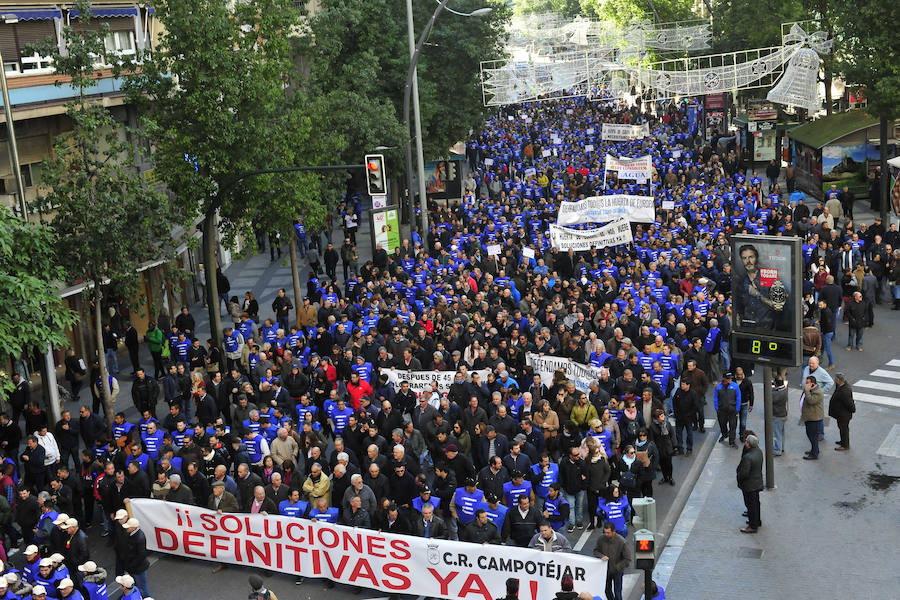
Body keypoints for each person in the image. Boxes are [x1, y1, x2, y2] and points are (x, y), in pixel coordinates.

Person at [733, 243, 788, 331]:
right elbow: (739, 308)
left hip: (767, 327)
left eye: (751, 257)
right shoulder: (741, 281)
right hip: (748, 328)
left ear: (756, 258)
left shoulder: (769, 276)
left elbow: (779, 307)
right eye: (744, 258)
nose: (748, 261)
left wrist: (758, 295)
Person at [592, 521, 631, 600]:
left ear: (614, 532)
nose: (606, 534)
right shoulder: (601, 539)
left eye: (608, 533)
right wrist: (601, 556)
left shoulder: (622, 542)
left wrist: (617, 567)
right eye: (605, 532)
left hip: (617, 572)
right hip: (605, 571)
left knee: (618, 592)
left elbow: (627, 559)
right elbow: (595, 551)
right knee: (607, 590)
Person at [736, 434, 763, 533]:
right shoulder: (759, 452)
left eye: (746, 441)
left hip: (749, 485)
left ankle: (752, 526)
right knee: (756, 503)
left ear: (748, 444)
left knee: (750, 505)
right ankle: (757, 521)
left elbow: (744, 473)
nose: (745, 443)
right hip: (757, 482)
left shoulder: (748, 457)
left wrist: (738, 476)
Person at [828, 373, 855, 451]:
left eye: (835, 379)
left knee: (844, 429)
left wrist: (853, 409)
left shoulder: (844, 391)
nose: (834, 380)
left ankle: (845, 445)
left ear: (838, 380)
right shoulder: (841, 386)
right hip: (840, 413)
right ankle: (843, 441)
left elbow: (849, 403)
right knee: (841, 428)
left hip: (844, 415)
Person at [713, 372, 741, 447]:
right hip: (722, 410)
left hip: (732, 410)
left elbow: (738, 397)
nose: (730, 380)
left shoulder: (735, 386)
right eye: (728, 378)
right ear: (724, 379)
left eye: (730, 378)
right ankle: (724, 434)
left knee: (733, 426)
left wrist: (737, 409)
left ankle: (732, 441)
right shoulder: (718, 387)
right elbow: (715, 397)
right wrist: (717, 408)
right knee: (722, 424)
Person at [800, 375, 824, 460]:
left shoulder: (818, 392)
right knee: (810, 434)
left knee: (813, 436)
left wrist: (806, 391)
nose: (805, 384)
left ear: (813, 384)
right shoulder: (809, 390)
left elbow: (811, 401)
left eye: (807, 383)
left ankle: (814, 454)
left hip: (814, 418)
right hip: (808, 417)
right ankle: (814, 450)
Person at [771, 377, 788, 456]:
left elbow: (771, 398)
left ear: (776, 383)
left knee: (777, 433)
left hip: (777, 415)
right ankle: (782, 447)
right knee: (781, 433)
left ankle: (777, 450)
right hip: (783, 414)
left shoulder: (776, 393)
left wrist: (771, 390)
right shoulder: (784, 390)